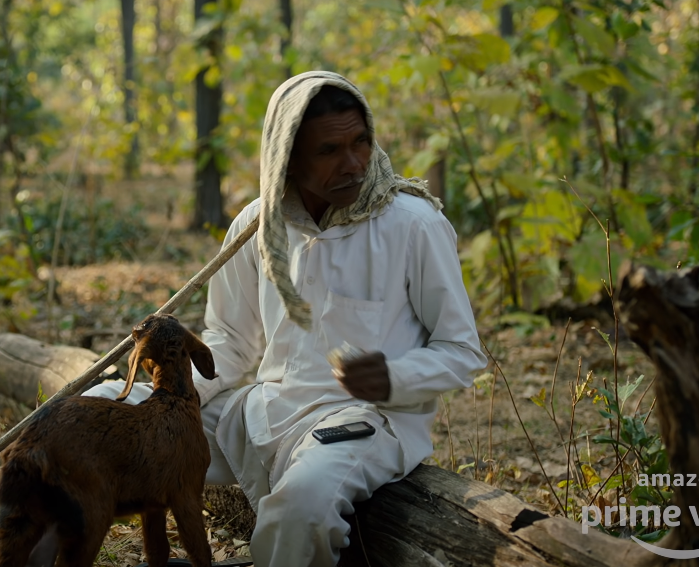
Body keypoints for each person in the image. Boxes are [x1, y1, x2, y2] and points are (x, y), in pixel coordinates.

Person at [85, 71, 486, 566]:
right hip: (264, 410)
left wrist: (393, 376)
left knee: (301, 509)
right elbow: (230, 342)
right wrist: (173, 394)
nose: (354, 163)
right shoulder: (257, 223)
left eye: (361, 142)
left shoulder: (413, 223)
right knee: (99, 409)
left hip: (362, 423)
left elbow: (462, 350)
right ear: (287, 157)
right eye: (330, 150)